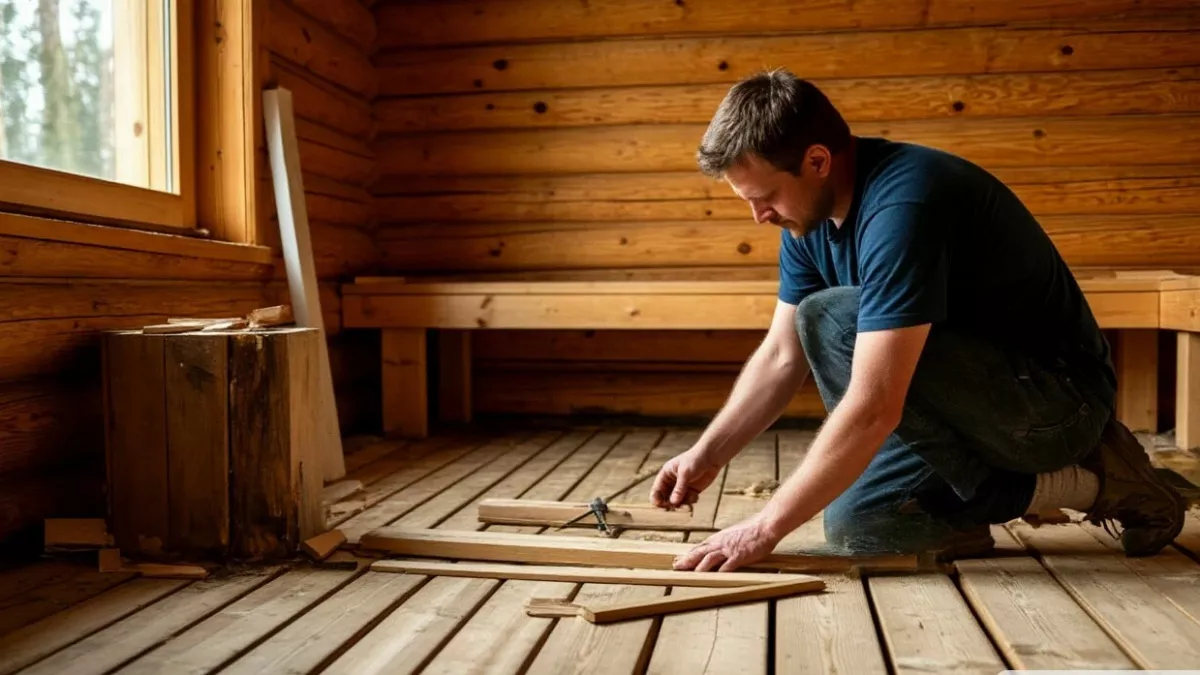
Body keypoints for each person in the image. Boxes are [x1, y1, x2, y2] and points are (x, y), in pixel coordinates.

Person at [649, 69, 1187, 573]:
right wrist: (706, 454)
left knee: (832, 317)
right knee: (863, 527)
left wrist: (763, 528)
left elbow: (874, 408)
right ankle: (981, 512)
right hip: (963, 405)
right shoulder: (805, 218)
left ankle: (1101, 477)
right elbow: (781, 356)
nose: (759, 216)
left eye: (764, 197)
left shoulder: (908, 203)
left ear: (817, 161)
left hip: (1053, 409)